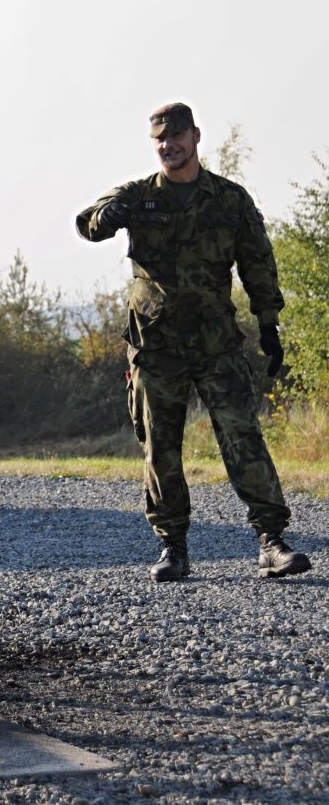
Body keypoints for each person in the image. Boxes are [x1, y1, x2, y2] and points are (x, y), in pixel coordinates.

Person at [76, 102, 312, 583]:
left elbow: (258, 262)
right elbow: (87, 223)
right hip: (156, 343)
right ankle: (173, 547)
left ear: (196, 137)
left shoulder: (229, 199)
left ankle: (271, 541)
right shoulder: (138, 195)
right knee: (160, 447)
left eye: (177, 136)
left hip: (215, 342)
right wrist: (110, 215)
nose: (169, 145)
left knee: (243, 438)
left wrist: (269, 323)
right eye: (161, 139)